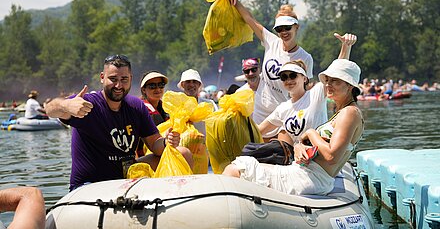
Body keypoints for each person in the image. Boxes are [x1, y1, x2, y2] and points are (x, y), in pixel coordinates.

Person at [223, 34, 363, 196]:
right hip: (303, 167)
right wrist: (233, 123)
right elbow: (257, 130)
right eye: (284, 76)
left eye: (292, 75)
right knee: (240, 165)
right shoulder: (284, 108)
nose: (288, 80)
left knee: (235, 170)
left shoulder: (333, 104)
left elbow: (331, 155)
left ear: (304, 78)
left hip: (312, 177)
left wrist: (345, 48)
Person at [46, 54, 192, 191]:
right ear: (102, 78)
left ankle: (182, 200)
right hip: (90, 185)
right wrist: (66, 105)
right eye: (113, 79)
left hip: (126, 176)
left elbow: (154, 144)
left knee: (183, 152)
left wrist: (167, 142)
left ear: (130, 79)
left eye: (124, 79)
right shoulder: (86, 103)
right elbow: (50, 109)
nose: (118, 85)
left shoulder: (136, 106)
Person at [234, 1, 314, 139]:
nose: (283, 32)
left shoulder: (305, 57)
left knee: (281, 156)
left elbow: (307, 91)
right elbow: (249, 19)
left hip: (284, 113)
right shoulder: (271, 41)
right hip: (261, 110)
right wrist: (234, 1)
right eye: (279, 29)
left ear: (296, 27)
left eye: (287, 28)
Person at [177, 68, 218, 136]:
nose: (191, 85)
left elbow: (218, 124)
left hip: (206, 145)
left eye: (194, 82)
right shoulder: (176, 105)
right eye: (188, 81)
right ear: (182, 84)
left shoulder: (209, 104)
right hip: (181, 145)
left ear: (199, 85)